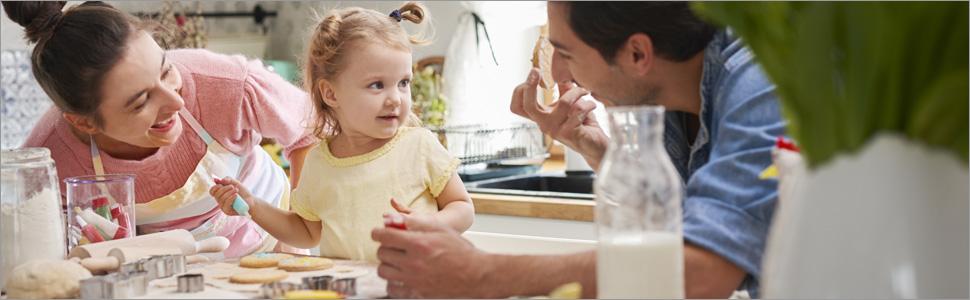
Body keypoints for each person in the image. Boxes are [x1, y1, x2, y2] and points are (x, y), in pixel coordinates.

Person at [371, 2, 786, 298]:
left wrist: (483, 273)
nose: (558, 74)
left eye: (565, 53)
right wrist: (597, 150)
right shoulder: (672, 93)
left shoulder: (765, 81)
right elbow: (686, 222)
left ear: (638, 53)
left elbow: (701, 273)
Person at [6, 1, 316, 257]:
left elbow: (311, 129)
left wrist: (296, 230)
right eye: (141, 102)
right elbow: (33, 248)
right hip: (169, 269)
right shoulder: (49, 160)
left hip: (273, 238)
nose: (175, 103)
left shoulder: (225, 84)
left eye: (166, 71)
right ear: (84, 122)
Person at [209, 2, 475, 263]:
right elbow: (306, 231)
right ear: (331, 93)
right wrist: (253, 206)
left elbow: (463, 208)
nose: (395, 98)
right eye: (377, 85)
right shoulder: (319, 162)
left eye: (403, 83)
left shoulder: (419, 146)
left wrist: (433, 224)